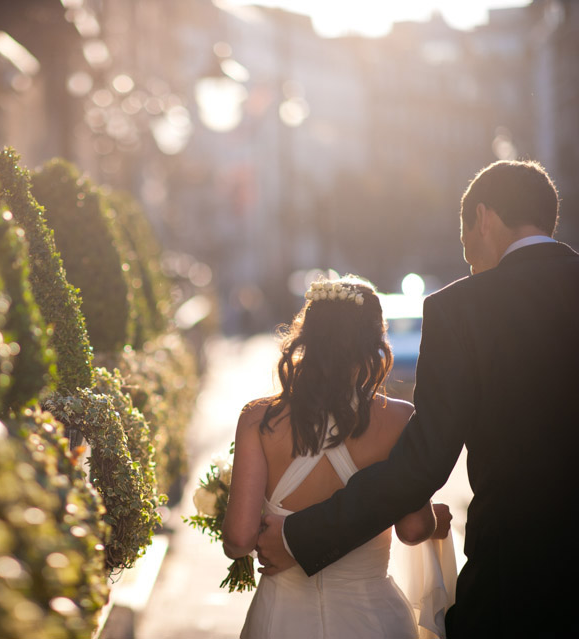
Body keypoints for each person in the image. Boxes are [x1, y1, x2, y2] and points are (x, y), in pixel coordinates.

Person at [254, 160, 579, 637]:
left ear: (483, 218)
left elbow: (422, 461)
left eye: (466, 241)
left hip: (514, 577)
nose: (468, 257)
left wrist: (299, 536)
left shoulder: (461, 309)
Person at [223, 276, 453, 638]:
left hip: (281, 620)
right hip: (372, 618)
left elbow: (238, 539)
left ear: (307, 336)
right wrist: (434, 521)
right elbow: (412, 530)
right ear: (374, 342)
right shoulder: (399, 419)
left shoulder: (258, 420)